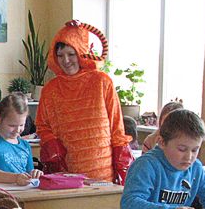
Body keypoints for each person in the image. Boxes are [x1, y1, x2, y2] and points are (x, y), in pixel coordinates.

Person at [36, 20, 133, 184]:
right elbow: (42, 125)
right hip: (67, 173)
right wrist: (53, 147)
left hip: (103, 173)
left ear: (81, 52)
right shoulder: (50, 89)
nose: (66, 60)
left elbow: (117, 128)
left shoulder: (102, 81)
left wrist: (122, 168)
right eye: (60, 55)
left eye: (71, 54)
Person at [0, 92, 43, 185]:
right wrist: (16, 178)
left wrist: (35, 173)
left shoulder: (25, 145)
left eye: (21, 125)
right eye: (12, 125)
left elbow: (29, 172)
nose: (18, 130)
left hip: (22, 191)